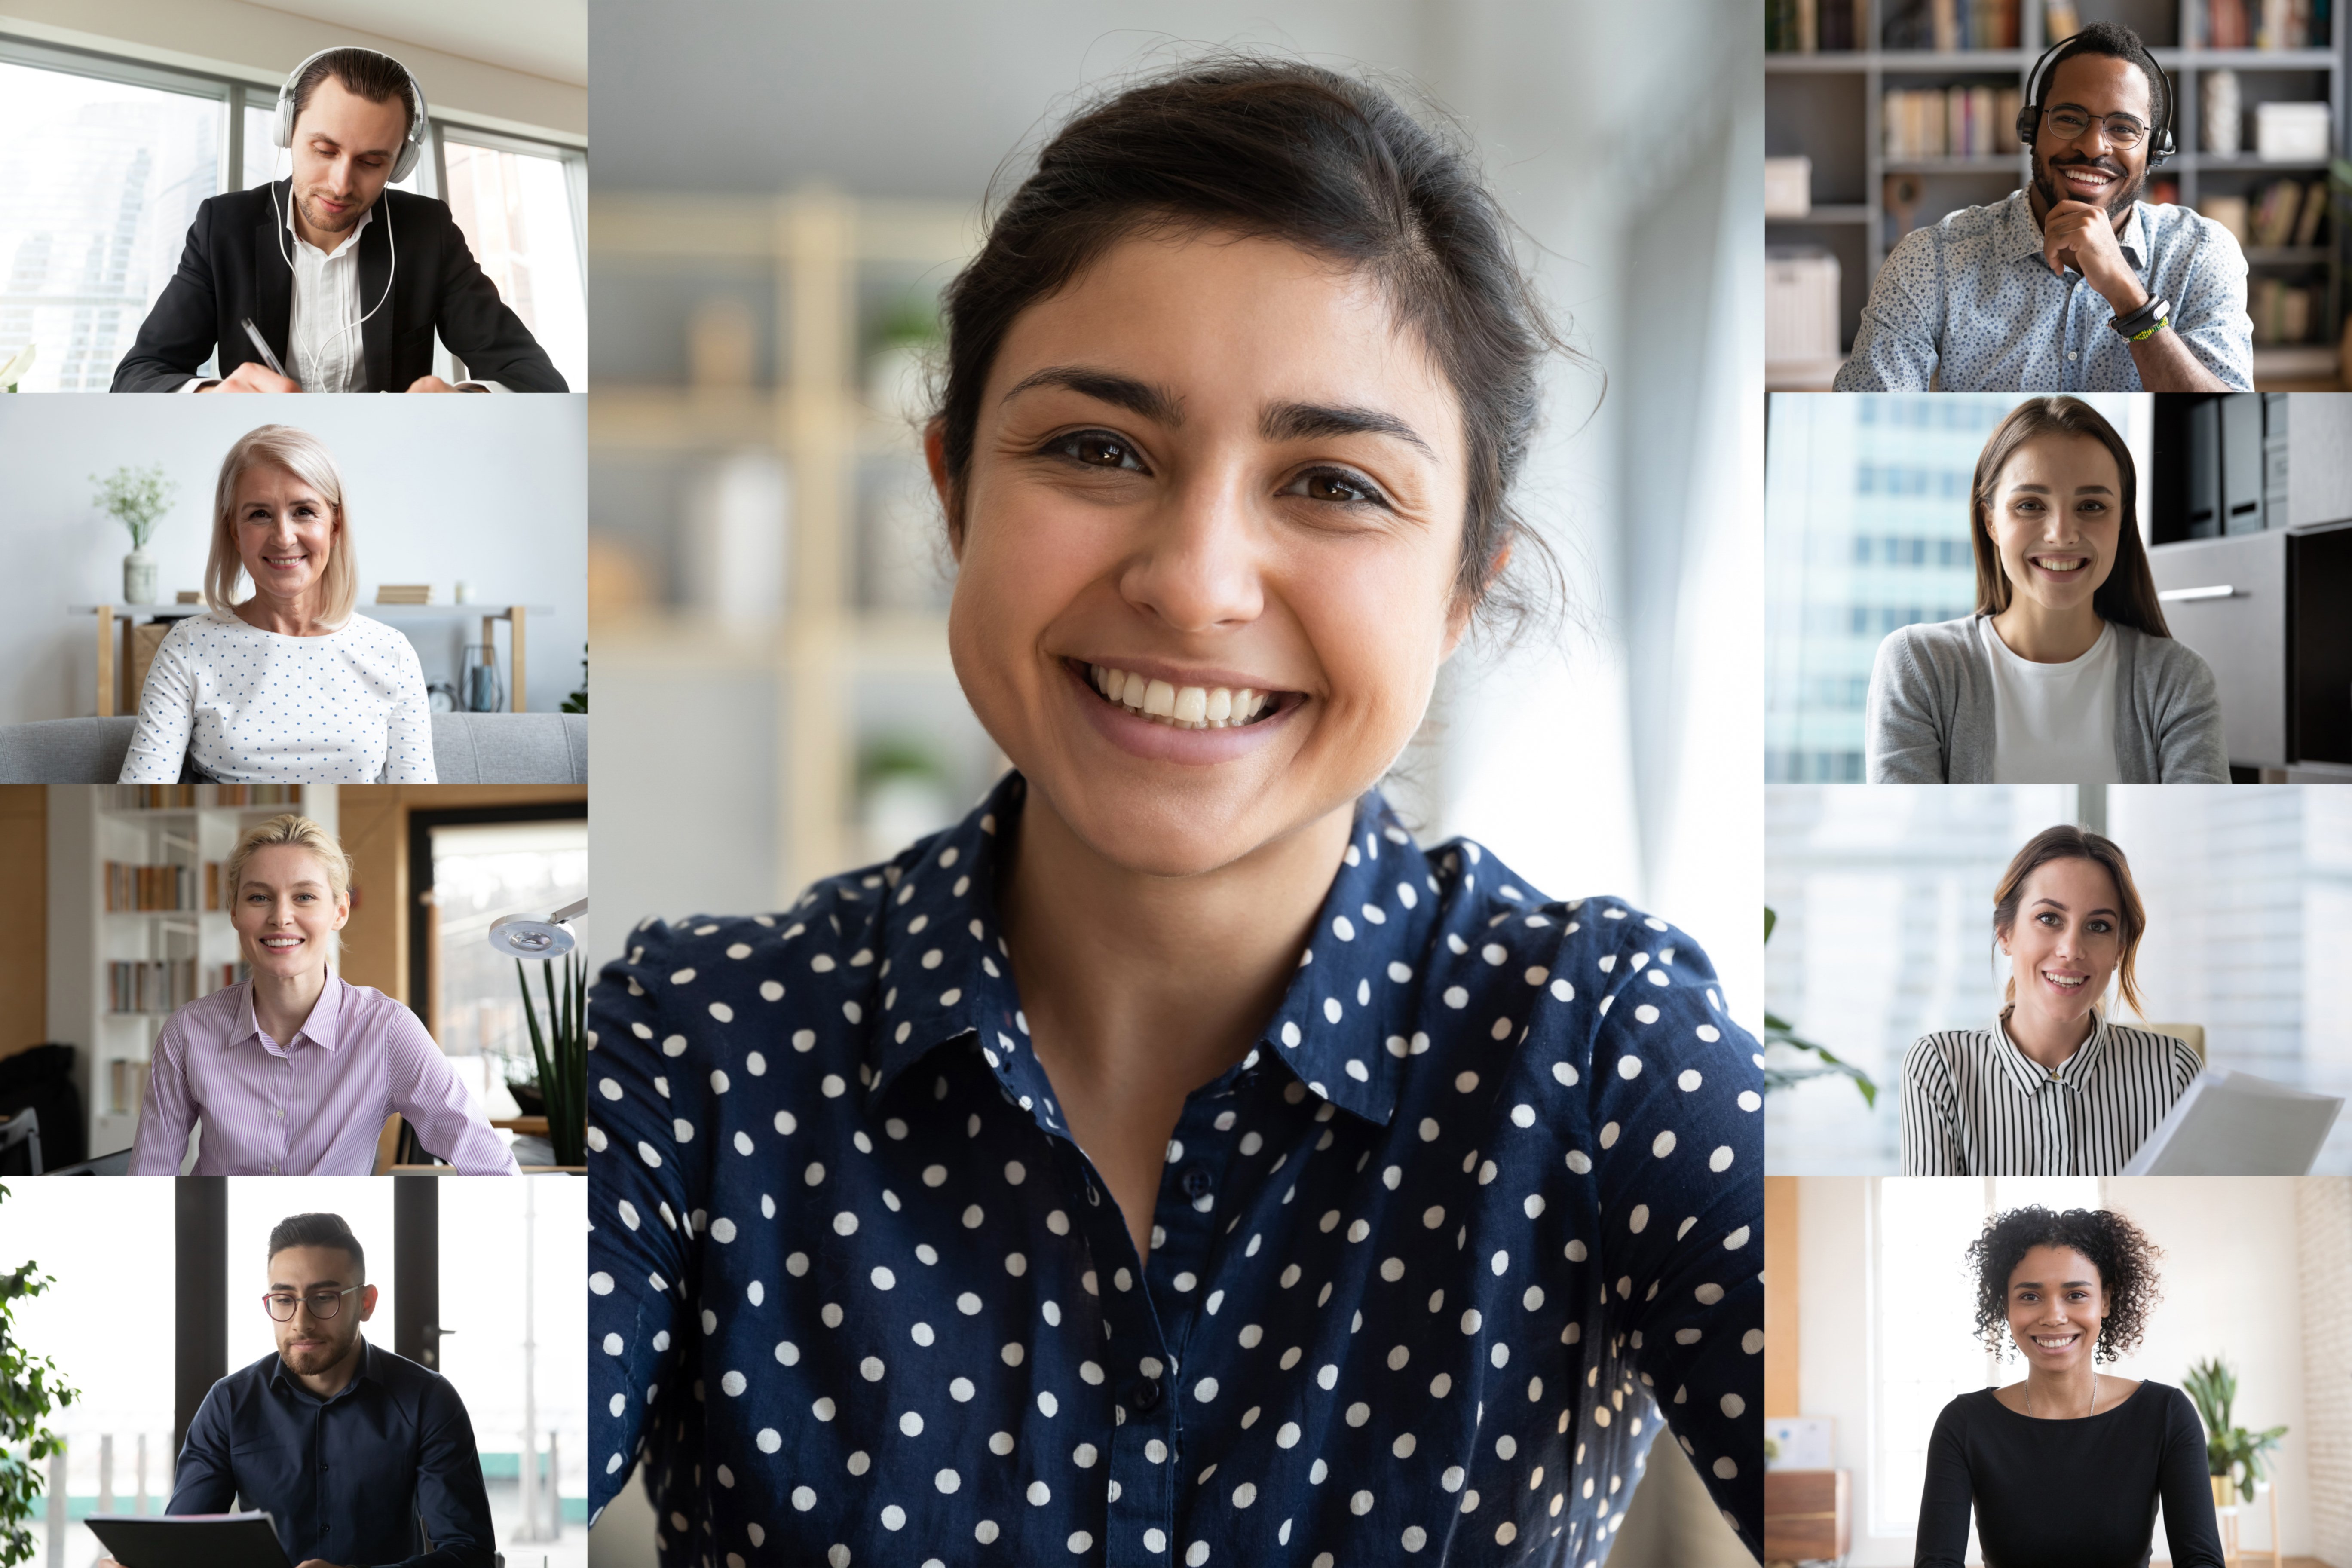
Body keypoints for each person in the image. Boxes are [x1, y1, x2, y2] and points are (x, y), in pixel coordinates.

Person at [586, 57, 1763, 1566]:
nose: (1196, 579)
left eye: (1332, 482)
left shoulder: (1604, 1046)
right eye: (1095, 448)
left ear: (1466, 584)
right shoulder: (697, 1045)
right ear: (954, 491)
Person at [110, 46, 566, 393]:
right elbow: (139, 375)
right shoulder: (223, 227)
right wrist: (211, 393)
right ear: (288, 131)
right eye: (325, 151)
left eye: (371, 162)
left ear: (400, 164)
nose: (341, 184)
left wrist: (471, 400)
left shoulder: (429, 234)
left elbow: (534, 376)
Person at [1834, 22, 2250, 392]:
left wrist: (2130, 298)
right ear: (2031, 129)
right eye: (2069, 119)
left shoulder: (2203, 254)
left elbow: (2222, 419)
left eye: (2123, 128)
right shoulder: (1931, 261)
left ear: (2155, 150)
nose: (2093, 146)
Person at [95, 1212, 499, 1568]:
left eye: (324, 1298)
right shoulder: (229, 1404)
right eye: (284, 1299)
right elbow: (183, 1547)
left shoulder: (428, 1400)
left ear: (366, 1303)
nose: (301, 1322)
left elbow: (470, 1553)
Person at [128, 813, 518, 1175]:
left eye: (305, 897)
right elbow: (149, 1181)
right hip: (218, 1239)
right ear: (234, 911)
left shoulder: (387, 1030)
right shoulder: (189, 1030)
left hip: (338, 1243)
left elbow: (492, 1169)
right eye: (259, 897)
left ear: (340, 911)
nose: (281, 917)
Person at [1865, 397, 2225, 783]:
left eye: (2091, 506)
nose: (2062, 535)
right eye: (2030, 505)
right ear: (1991, 521)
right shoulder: (1919, 667)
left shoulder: (2178, 680)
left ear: (2122, 519)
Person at [119, 424, 438, 784]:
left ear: (334, 526)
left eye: (303, 511)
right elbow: (142, 786)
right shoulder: (188, 646)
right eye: (260, 514)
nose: (284, 538)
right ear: (235, 533)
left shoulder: (392, 652)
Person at [1916, 1205, 2223, 1568]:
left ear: (2105, 1301)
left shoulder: (2165, 1414)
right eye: (2030, 1296)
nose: (2054, 1317)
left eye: (2075, 1295)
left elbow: (2201, 1561)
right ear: (2006, 1307)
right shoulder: (1964, 1423)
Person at [1900, 824, 2201, 1175]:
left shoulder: (2175, 1071)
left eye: (2099, 926)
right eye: (2049, 919)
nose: (2071, 950)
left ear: (2119, 949)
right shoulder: (1938, 1069)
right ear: (2005, 934)